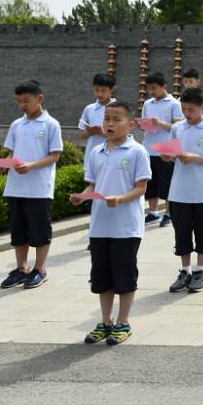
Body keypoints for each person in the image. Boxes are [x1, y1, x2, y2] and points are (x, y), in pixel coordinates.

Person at [73, 101, 152, 345]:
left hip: (126, 226)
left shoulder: (137, 151)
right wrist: (82, 196)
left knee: (124, 276)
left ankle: (123, 321)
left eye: (117, 119)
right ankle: (106, 322)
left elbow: (141, 188)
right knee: (102, 277)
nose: (110, 123)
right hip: (100, 225)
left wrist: (120, 199)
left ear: (130, 125)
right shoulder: (96, 152)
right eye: (107, 118)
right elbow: (92, 185)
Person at [0, 80, 63, 290]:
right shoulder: (17, 125)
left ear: (39, 98)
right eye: (19, 101)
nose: (23, 105)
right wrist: (3, 164)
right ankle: (21, 268)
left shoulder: (51, 124)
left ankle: (40, 269)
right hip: (16, 186)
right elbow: (10, 151)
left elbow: (54, 156)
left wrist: (32, 165)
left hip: (39, 188)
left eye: (26, 101)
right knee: (19, 231)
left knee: (40, 230)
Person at [163, 88, 203, 294]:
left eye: (191, 109)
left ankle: (200, 271)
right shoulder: (177, 128)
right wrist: (167, 155)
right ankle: (185, 271)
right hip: (179, 190)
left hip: (201, 191)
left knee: (202, 231)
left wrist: (194, 157)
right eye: (184, 109)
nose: (187, 113)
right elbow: (169, 156)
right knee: (181, 232)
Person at [141, 72, 183, 227]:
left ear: (163, 86)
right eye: (149, 89)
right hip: (149, 147)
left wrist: (159, 123)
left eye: (154, 88)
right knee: (150, 182)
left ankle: (169, 213)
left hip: (167, 148)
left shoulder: (174, 103)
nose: (152, 91)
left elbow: (178, 127)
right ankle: (152, 212)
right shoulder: (148, 104)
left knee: (167, 182)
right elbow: (145, 123)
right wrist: (143, 124)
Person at [77, 73, 116, 156]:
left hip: (112, 154)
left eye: (103, 91)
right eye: (96, 90)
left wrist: (101, 133)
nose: (99, 94)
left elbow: (122, 135)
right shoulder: (89, 109)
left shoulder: (118, 109)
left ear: (112, 89)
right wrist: (90, 132)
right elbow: (82, 136)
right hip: (91, 154)